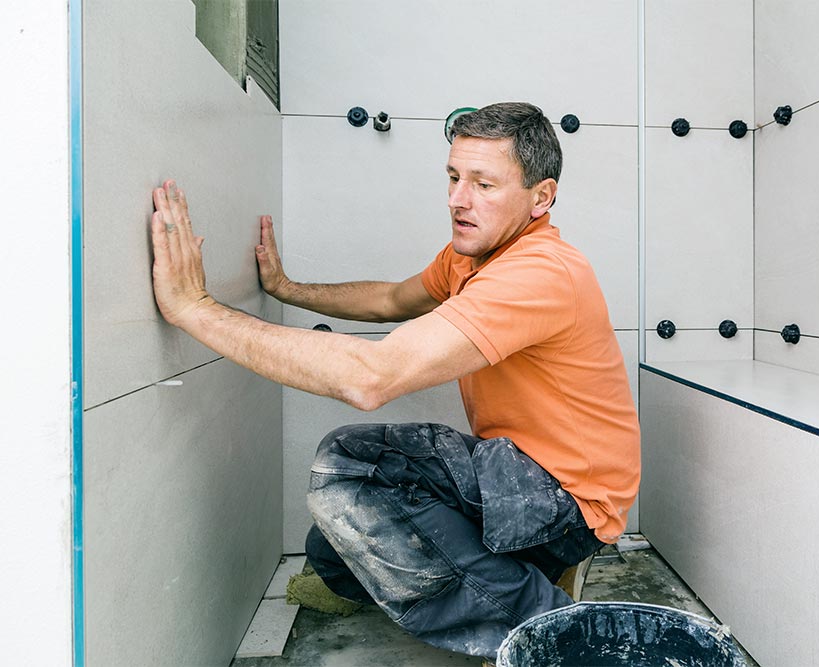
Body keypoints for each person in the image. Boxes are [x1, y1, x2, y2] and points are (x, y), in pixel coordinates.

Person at [149, 102, 640, 659]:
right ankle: (384, 581)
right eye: (454, 177)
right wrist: (289, 289)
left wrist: (196, 309)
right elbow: (390, 300)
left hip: (570, 500)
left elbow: (370, 378)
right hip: (516, 468)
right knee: (337, 536)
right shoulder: (473, 256)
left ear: (540, 197)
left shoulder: (539, 273)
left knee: (350, 468)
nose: (458, 199)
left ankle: (548, 626)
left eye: (484, 184)